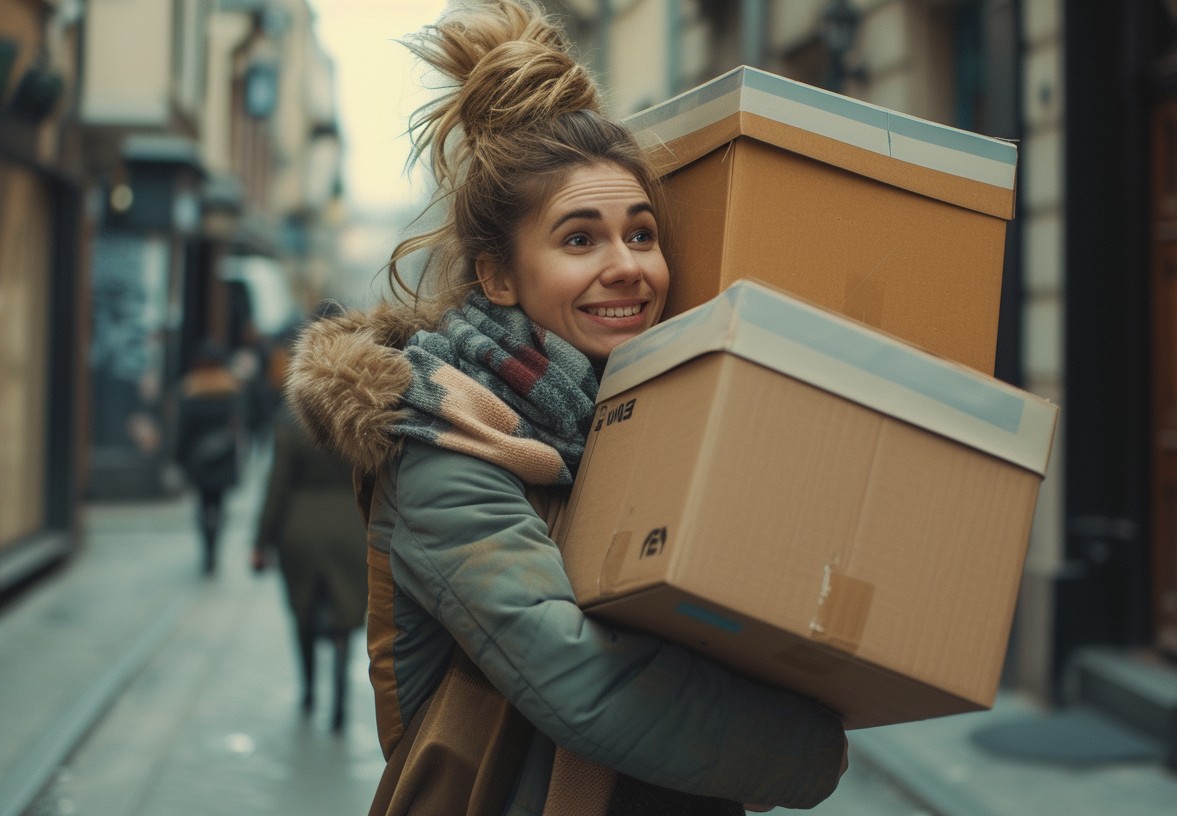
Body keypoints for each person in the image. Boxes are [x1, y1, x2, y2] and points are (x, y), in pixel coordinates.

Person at [286, 1, 849, 813]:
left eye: (642, 234)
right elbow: (580, 680)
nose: (627, 267)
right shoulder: (444, 447)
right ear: (498, 277)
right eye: (580, 239)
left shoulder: (642, 418)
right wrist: (808, 750)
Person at [253, 325, 368, 732]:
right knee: (345, 606)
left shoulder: (292, 418)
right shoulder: (361, 411)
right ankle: (340, 697)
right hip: (351, 528)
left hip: (298, 528)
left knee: (302, 610)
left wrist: (260, 542)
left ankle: (308, 691)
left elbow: (276, 487)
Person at [174, 341, 243, 575]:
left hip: (199, 459)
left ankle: (208, 552)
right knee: (220, 506)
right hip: (223, 458)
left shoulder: (190, 391)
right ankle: (214, 549)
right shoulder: (231, 391)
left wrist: (179, 459)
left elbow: (183, 431)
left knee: (203, 506)